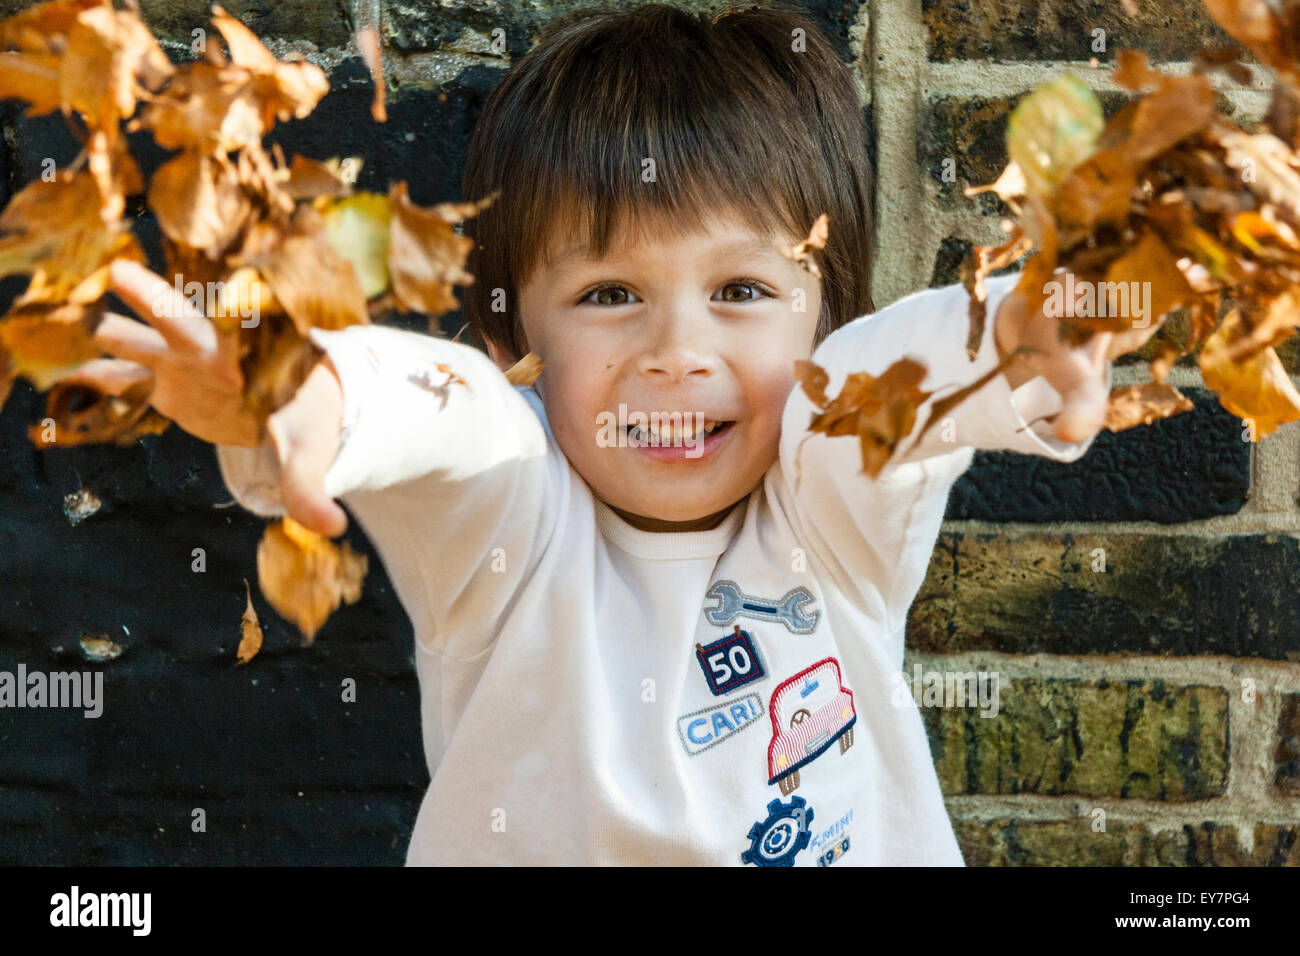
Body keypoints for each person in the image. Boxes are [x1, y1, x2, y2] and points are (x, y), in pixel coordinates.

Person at [86, 3, 1157, 864]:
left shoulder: (828, 508)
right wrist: (313, 393)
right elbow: (446, 405)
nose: (674, 349)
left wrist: (1013, 334)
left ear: (825, 318)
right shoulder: (511, 523)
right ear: (518, 336)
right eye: (607, 293)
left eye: (740, 287)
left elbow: (876, 383)